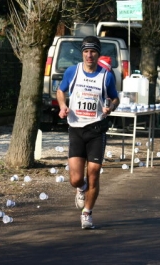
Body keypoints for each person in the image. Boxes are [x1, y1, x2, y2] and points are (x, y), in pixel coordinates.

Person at [56, 36, 119, 229]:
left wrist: (110, 107)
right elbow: (61, 90)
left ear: (98, 54)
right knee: (76, 179)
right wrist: (62, 105)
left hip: (96, 129)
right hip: (76, 128)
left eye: (92, 52)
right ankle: (81, 189)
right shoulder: (72, 71)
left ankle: (87, 213)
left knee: (94, 173)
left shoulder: (106, 76)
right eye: (86, 51)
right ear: (82, 53)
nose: (89, 55)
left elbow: (115, 98)